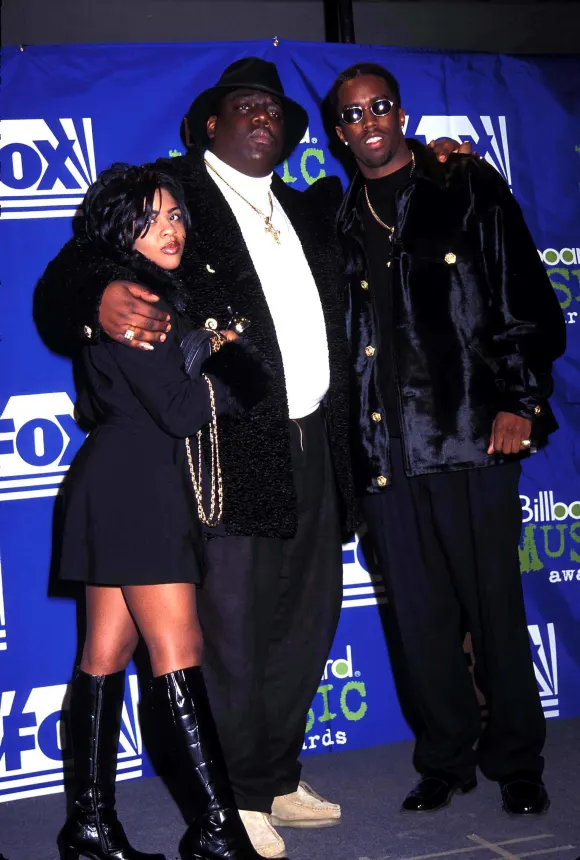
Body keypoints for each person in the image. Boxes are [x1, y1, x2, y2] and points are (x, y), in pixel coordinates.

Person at [35, 58, 356, 860]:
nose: (262, 116)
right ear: (211, 124)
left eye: (274, 108)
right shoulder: (174, 189)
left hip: (318, 439)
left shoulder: (308, 207)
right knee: (230, 633)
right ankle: (234, 803)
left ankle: (273, 777)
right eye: (245, 106)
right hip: (227, 452)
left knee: (306, 623)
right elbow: (79, 263)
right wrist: (95, 298)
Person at [329, 62, 566, 816]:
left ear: (401, 115)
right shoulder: (337, 220)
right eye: (353, 113)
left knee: (494, 606)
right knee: (419, 618)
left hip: (472, 435)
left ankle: (517, 759)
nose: (368, 120)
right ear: (339, 132)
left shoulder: (465, 185)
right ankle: (444, 759)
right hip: (385, 453)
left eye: (379, 106)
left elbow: (523, 292)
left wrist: (520, 399)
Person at [53, 162, 267, 860]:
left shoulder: (139, 295)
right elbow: (180, 411)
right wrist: (231, 361)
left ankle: (90, 826)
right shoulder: (139, 302)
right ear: (122, 233)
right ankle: (218, 830)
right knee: (179, 651)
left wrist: (203, 345)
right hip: (138, 488)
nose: (169, 229)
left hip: (118, 479)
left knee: (105, 653)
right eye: (149, 220)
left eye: (174, 215)